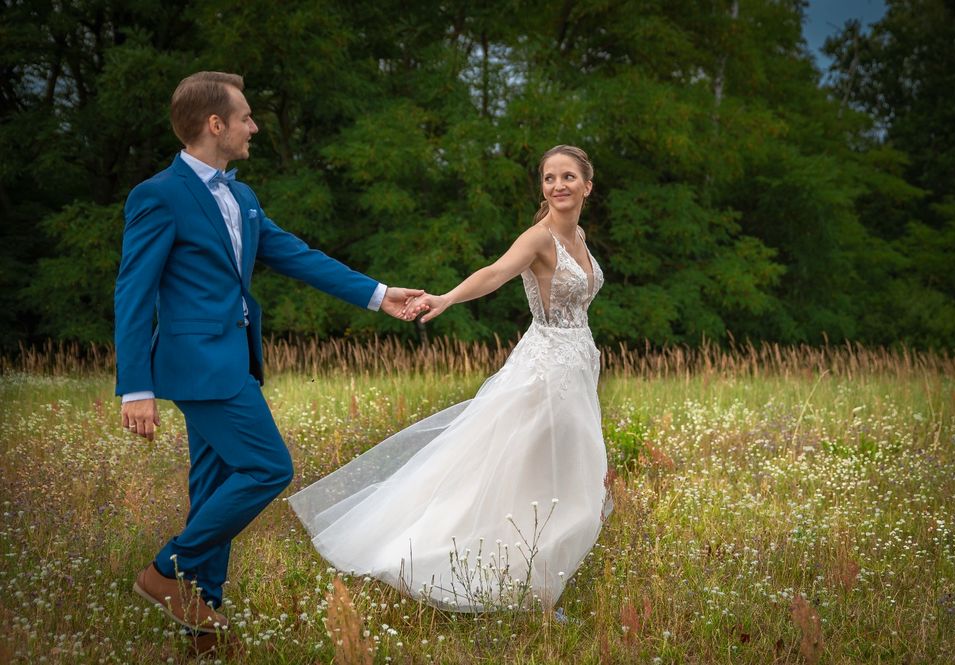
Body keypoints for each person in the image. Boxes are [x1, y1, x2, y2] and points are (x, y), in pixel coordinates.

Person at [114, 71, 424, 645]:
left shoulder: (243, 196)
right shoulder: (158, 195)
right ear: (216, 125)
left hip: (232, 360)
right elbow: (133, 291)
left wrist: (381, 295)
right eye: (246, 117)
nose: (253, 126)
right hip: (195, 365)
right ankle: (164, 572)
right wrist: (135, 387)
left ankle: (201, 626)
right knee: (268, 468)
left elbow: (296, 256)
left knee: (213, 489)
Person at [289, 145, 610, 612]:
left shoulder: (578, 236)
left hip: (577, 363)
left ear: (587, 185)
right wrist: (445, 298)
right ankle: (477, 566)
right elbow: (496, 273)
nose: (557, 185)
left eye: (567, 177)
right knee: (532, 471)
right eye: (548, 178)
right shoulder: (540, 238)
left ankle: (539, 580)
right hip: (545, 369)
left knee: (565, 471)